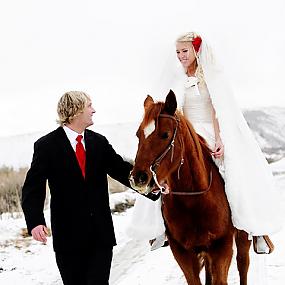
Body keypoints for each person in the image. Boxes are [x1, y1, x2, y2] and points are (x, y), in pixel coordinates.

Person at [127, 31, 281, 253]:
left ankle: (251, 227)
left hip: (211, 130)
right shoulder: (176, 78)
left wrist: (219, 138)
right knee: (162, 167)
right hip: (184, 133)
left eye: (185, 51)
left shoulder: (212, 76)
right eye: (178, 52)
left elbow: (220, 109)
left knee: (232, 169)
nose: (181, 56)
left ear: (196, 50)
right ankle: (159, 228)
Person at [21, 91, 134, 285]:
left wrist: (153, 186)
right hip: (68, 239)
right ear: (76, 111)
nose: (94, 110)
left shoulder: (99, 142)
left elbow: (122, 171)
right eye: (89, 106)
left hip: (101, 235)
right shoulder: (46, 146)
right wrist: (35, 221)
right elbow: (33, 187)